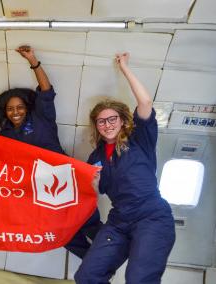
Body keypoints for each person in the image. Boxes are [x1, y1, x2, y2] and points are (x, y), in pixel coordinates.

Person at [0, 45, 101, 259]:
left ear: (26, 108)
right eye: (10, 109)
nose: (15, 112)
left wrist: (33, 61)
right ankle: (94, 264)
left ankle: (110, 254)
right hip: (38, 190)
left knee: (87, 221)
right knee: (60, 231)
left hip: (63, 177)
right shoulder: (5, 135)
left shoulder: (41, 117)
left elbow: (46, 90)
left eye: (19, 107)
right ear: (5, 112)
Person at [74, 53, 175, 283]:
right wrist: (94, 183)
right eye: (101, 121)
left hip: (151, 217)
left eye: (112, 119)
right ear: (96, 126)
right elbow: (98, 190)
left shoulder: (140, 138)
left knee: (139, 279)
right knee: (87, 276)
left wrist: (124, 67)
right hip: (119, 221)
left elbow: (145, 103)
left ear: (122, 121)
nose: (107, 124)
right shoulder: (95, 157)